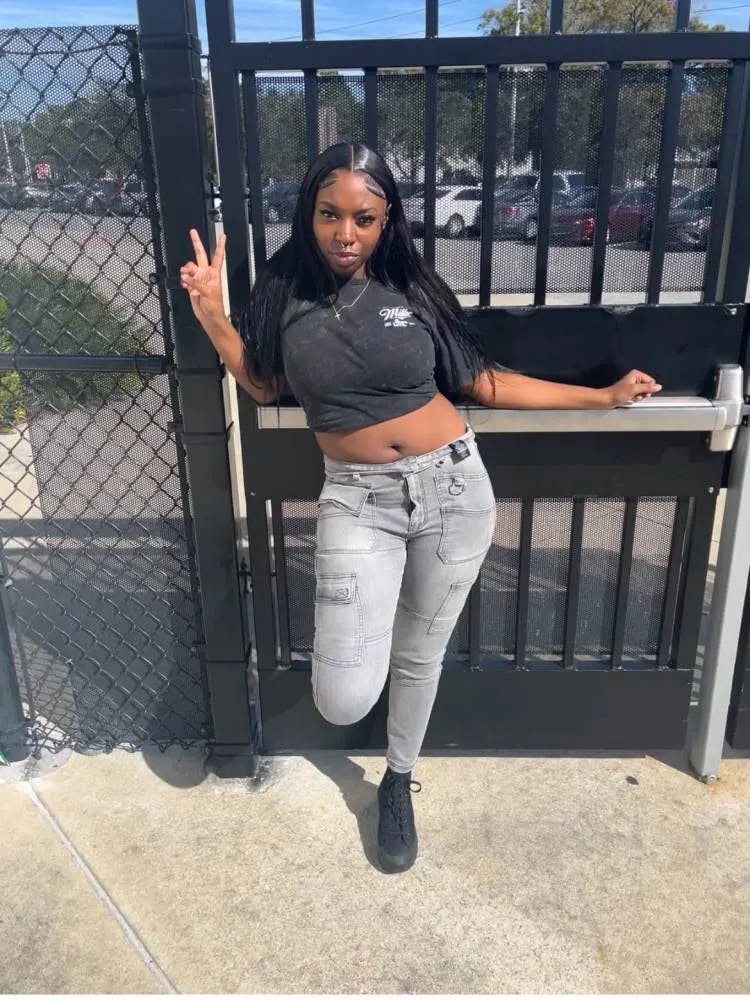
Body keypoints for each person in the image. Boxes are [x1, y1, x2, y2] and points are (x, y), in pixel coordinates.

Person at [179, 141, 661, 874]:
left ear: (386, 221)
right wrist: (216, 319)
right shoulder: (283, 289)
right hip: (356, 498)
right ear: (308, 213)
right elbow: (266, 385)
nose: (346, 233)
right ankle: (375, 725)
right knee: (342, 694)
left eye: (364, 218)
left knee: (420, 654)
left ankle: (398, 779)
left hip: (454, 490)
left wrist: (601, 397)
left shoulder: (410, 285)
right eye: (330, 214)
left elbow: (484, 382)